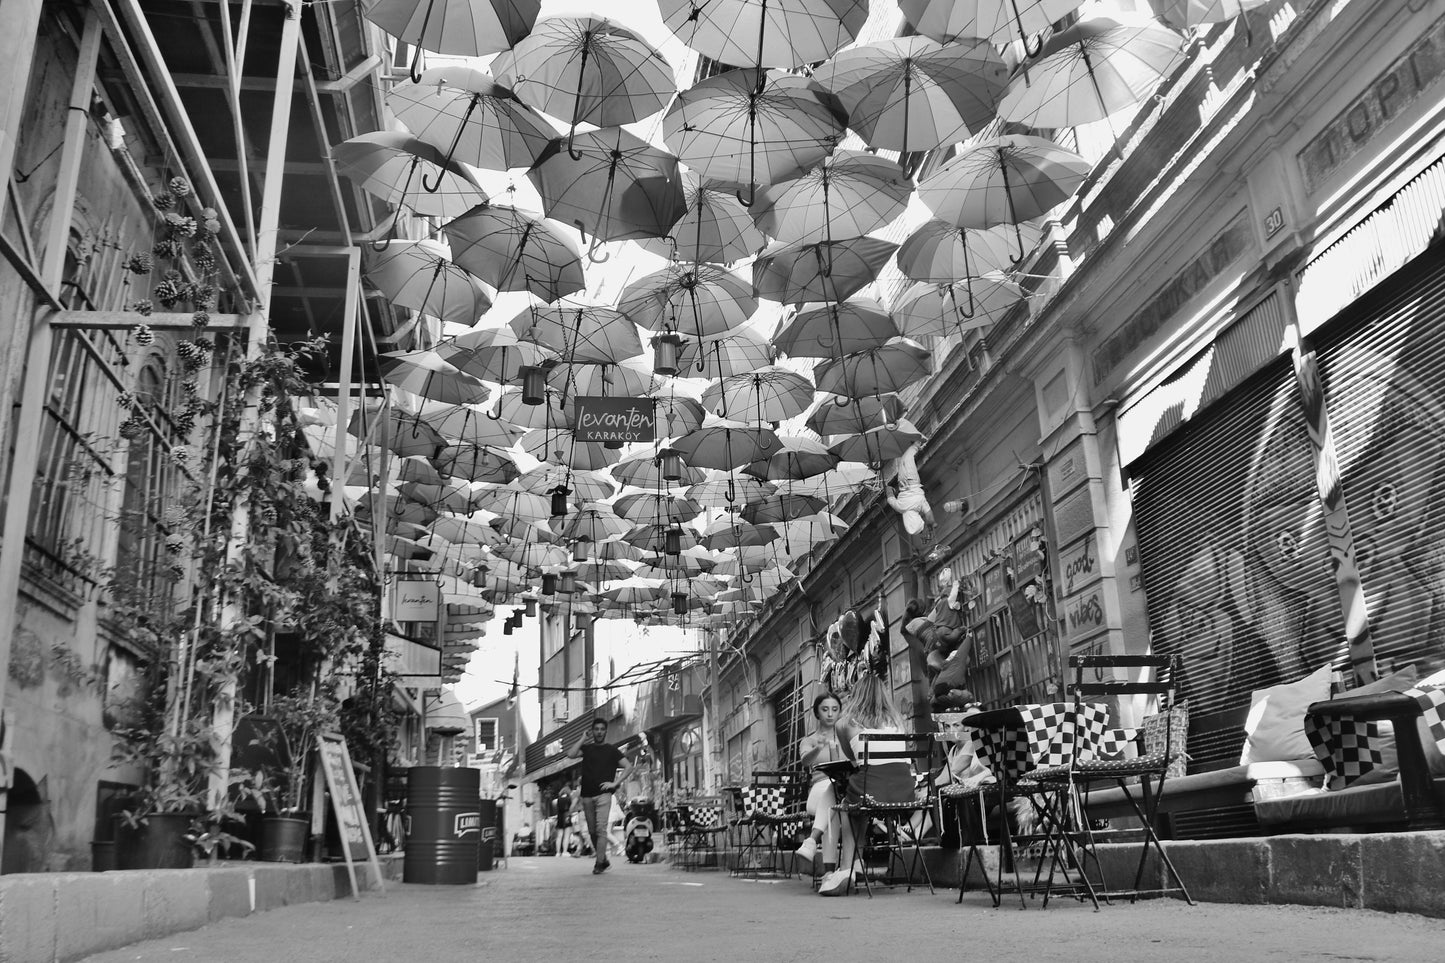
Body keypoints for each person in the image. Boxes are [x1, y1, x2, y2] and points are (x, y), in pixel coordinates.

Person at [818, 670, 914, 897]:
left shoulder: (844, 724)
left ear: (856, 694)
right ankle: (856, 866)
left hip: (870, 789)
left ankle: (846, 867)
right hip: (904, 793)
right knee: (857, 800)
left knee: (848, 806)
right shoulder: (899, 721)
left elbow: (853, 761)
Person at [565, 716, 633, 875]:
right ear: (593, 731)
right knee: (592, 831)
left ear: (606, 732)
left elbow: (629, 767)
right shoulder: (587, 749)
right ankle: (603, 859)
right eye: (597, 729)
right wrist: (583, 738)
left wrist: (615, 784)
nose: (599, 732)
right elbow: (570, 754)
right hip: (587, 795)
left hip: (604, 795)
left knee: (601, 830)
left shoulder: (611, 750)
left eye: (602, 729)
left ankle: (598, 863)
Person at [793, 692, 844, 874]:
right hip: (820, 787)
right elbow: (805, 761)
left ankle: (828, 868)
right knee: (836, 806)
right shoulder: (809, 740)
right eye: (825, 710)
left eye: (834, 709)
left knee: (838, 810)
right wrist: (818, 748)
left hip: (843, 788)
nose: (830, 714)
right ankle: (836, 870)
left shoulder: (845, 736)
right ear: (817, 713)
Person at [552, 782, 573, 858]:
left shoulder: (557, 800)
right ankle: (564, 851)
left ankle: (557, 852)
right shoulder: (569, 799)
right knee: (566, 836)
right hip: (567, 817)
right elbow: (571, 808)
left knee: (559, 836)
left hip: (560, 817)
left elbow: (555, 808)